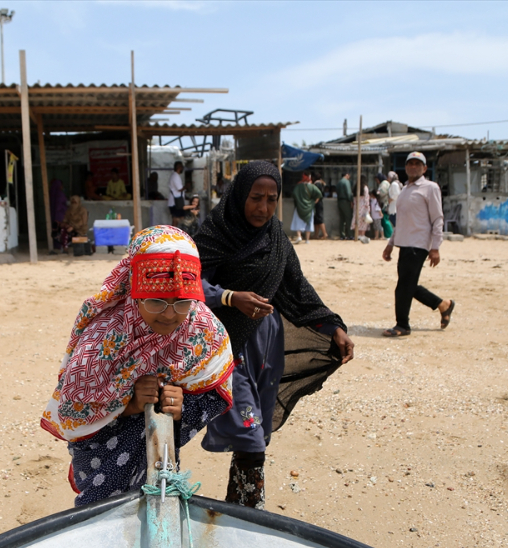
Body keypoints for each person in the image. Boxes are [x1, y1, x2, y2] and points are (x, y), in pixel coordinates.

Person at [194, 161, 354, 509]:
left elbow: (298, 288)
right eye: (256, 198)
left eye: (271, 199)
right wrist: (230, 297)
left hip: (267, 349)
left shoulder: (276, 239)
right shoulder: (216, 232)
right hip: (227, 349)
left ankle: (238, 507)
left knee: (254, 437)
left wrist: (333, 327)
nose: (263, 207)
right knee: (249, 434)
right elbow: (189, 282)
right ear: (240, 195)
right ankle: (252, 511)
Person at [41, 226, 235, 506]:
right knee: (105, 515)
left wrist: (181, 407)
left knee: (158, 504)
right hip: (105, 461)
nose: (169, 315)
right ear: (133, 291)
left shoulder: (202, 328)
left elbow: (216, 390)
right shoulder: (102, 340)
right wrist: (130, 404)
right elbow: (73, 410)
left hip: (161, 452)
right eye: (156, 301)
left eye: (181, 302)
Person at [381, 152, 455, 337]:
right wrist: (390, 244)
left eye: (417, 164)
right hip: (404, 243)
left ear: (424, 168)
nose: (413, 167)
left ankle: (402, 325)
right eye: (410, 163)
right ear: (405, 167)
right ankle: (443, 304)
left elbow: (437, 218)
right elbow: (401, 221)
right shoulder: (404, 190)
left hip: (419, 244)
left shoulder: (430, 188)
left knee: (403, 286)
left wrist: (435, 247)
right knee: (408, 285)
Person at [291, 173, 321, 244]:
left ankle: (299, 236)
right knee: (309, 222)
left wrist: (299, 201)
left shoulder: (298, 187)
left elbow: (294, 194)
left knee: (298, 221)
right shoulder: (312, 187)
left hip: (299, 207)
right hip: (309, 207)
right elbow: (319, 194)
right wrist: (313, 202)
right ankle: (307, 239)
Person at [311, 174, 329, 239]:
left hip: (318, 203)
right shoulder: (319, 184)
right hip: (318, 203)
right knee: (316, 219)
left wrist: (315, 202)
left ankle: (325, 234)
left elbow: (318, 195)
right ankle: (316, 234)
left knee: (319, 218)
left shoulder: (317, 184)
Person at [336, 172, 353, 240]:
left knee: (342, 219)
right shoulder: (346, 182)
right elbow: (348, 193)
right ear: (347, 175)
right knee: (348, 218)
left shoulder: (339, 182)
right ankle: (350, 234)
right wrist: (351, 201)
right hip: (345, 201)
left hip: (339, 201)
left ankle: (342, 235)